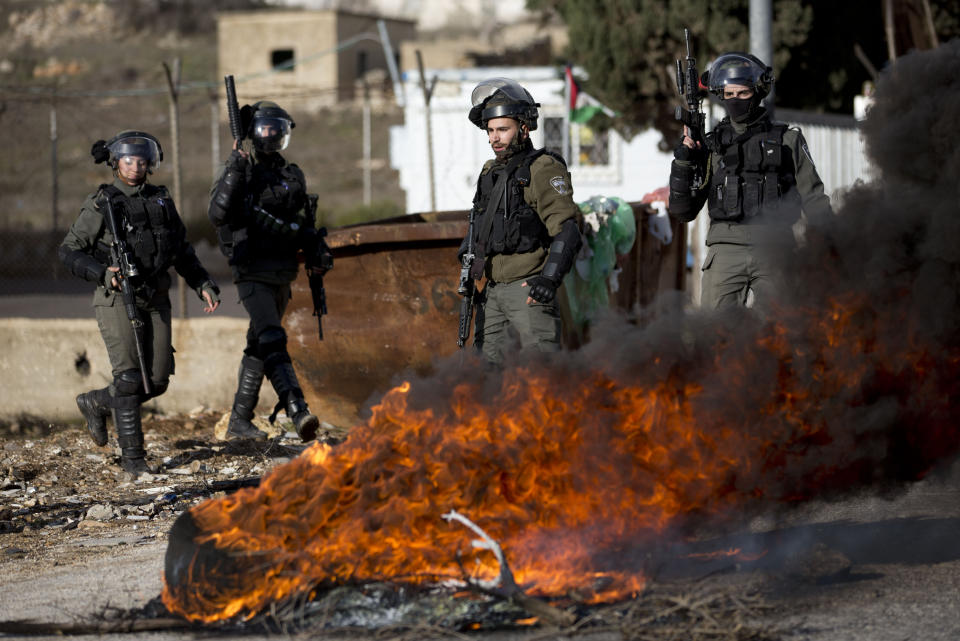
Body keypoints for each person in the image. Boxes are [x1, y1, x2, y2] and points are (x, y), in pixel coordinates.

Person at [59, 131, 221, 476]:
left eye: (141, 161)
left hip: (156, 297)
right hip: (117, 297)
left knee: (157, 381)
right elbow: (69, 250)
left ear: (151, 164)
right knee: (130, 379)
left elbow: (182, 250)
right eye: (128, 161)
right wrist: (103, 273)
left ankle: (96, 402)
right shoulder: (104, 202)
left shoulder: (162, 200)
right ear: (116, 163)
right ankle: (134, 462)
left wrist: (202, 283)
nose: (135, 167)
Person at [668, 52, 834, 309]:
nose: (735, 100)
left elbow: (813, 196)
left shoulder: (787, 139)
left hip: (775, 248)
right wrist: (684, 162)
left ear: (757, 93)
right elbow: (684, 210)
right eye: (729, 94)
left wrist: (832, 244)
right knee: (715, 334)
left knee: (781, 332)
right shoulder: (713, 144)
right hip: (725, 249)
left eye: (743, 93)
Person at [209, 100, 332, 442]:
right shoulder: (239, 169)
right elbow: (217, 214)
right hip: (251, 270)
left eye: (279, 129)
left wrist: (317, 249)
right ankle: (298, 409)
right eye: (266, 128)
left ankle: (239, 421)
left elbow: (304, 225)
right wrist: (235, 169)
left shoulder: (291, 175)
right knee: (273, 338)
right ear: (253, 132)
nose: (273, 135)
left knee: (259, 344)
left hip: (282, 271)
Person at [460, 78, 582, 365]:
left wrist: (549, 279)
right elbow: (479, 223)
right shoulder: (490, 171)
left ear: (524, 129)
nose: (494, 138)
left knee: (541, 376)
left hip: (527, 289)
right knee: (488, 377)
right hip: (491, 290)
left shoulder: (542, 168)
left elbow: (567, 229)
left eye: (503, 129)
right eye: (490, 131)